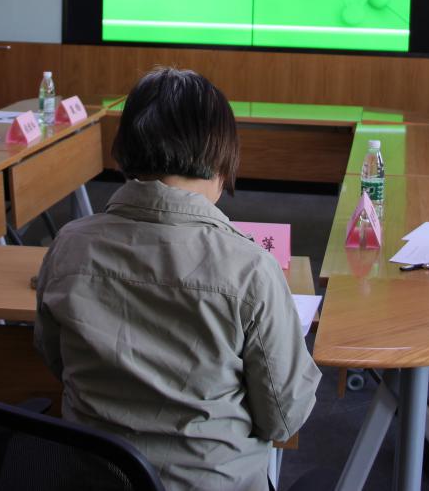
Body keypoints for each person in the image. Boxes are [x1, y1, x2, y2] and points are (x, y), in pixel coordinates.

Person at [35, 67, 320, 491]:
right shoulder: (251, 268)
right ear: (221, 156)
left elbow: (55, 359)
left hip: (92, 479)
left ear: (125, 148)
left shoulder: (68, 246)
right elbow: (283, 416)